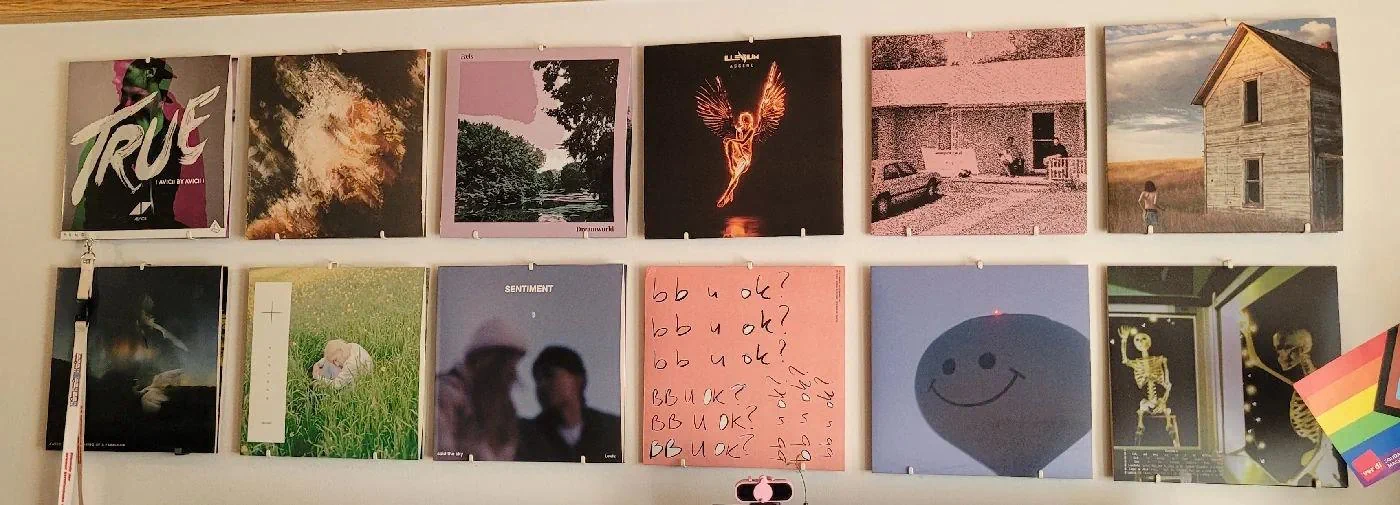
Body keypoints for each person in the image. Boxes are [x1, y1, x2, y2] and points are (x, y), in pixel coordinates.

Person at [436, 317, 530, 461]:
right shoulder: (446, 394)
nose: (511, 374)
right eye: (505, 363)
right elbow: (442, 454)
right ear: (483, 361)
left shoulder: (504, 410)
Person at [516, 346, 621, 463]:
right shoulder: (526, 437)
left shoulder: (614, 430)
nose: (542, 385)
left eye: (549, 375)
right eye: (538, 379)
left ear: (578, 380)